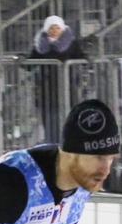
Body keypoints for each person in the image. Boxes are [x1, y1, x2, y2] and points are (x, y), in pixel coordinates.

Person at [27, 15, 85, 143]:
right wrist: (21, 59)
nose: (54, 31)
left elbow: (82, 57)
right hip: (46, 87)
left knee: (69, 116)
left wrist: (87, 59)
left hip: (67, 86)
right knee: (49, 118)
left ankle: (71, 143)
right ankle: (52, 144)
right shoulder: (40, 45)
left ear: (62, 29)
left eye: (57, 28)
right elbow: (30, 63)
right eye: (51, 28)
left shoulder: (72, 43)